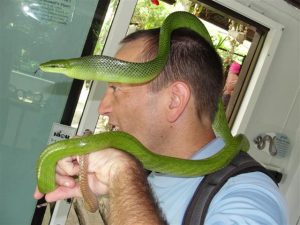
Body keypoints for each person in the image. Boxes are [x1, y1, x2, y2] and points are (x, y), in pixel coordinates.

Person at [34, 27, 287, 225]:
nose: (103, 108)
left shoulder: (246, 196)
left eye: (115, 88)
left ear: (175, 100)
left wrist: (123, 174)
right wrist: (121, 186)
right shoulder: (153, 174)